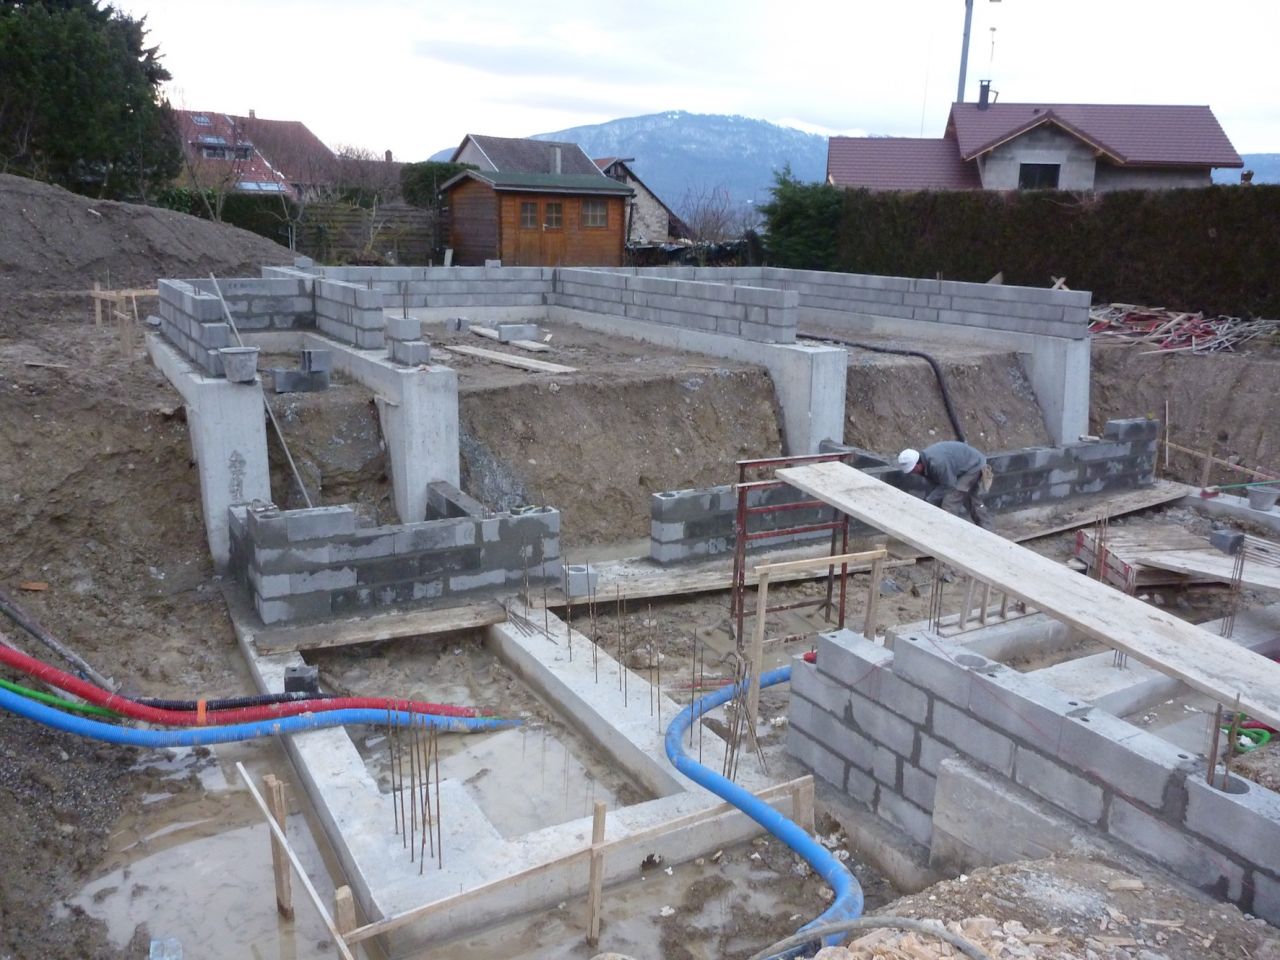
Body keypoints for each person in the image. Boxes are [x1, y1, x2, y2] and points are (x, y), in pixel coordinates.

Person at [898, 441, 992, 528]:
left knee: (950, 502)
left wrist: (929, 499)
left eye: (913, 470)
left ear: (918, 464)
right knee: (971, 499)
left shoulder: (937, 463)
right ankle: (987, 529)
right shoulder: (926, 462)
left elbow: (949, 485)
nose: (913, 473)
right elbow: (937, 487)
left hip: (973, 465)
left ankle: (947, 534)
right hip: (963, 467)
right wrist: (929, 499)